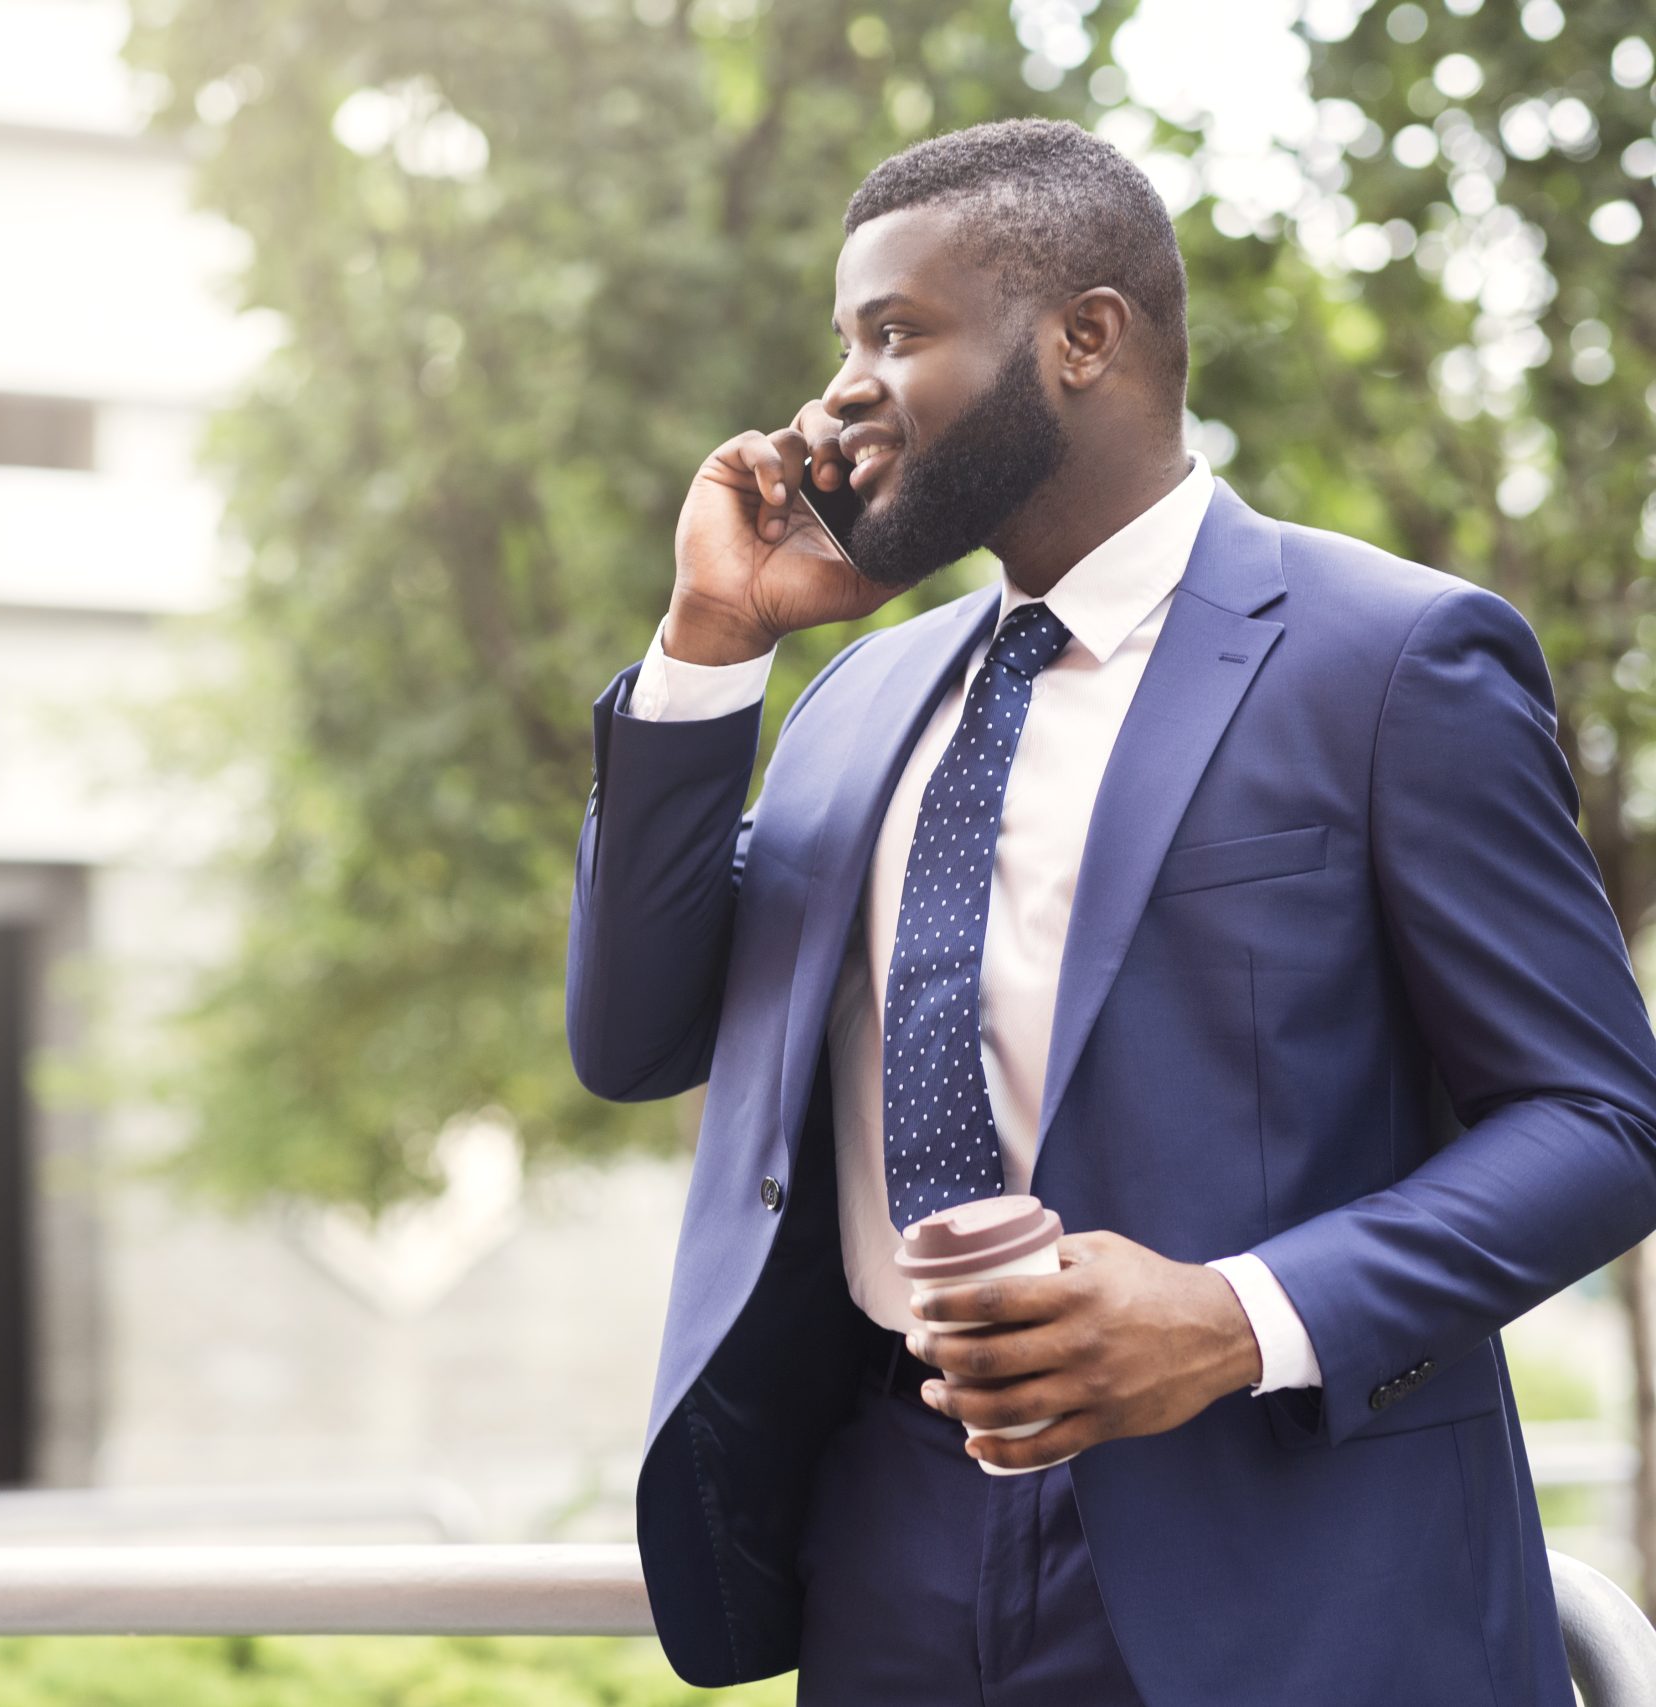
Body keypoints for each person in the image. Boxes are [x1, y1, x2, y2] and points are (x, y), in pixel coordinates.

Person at [565, 116, 1656, 1706]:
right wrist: (712, 644)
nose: (841, 390)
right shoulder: (857, 699)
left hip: (1280, 1534)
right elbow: (635, 1034)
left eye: (897, 331)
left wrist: (1233, 1317)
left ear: (1086, 338)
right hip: (887, 1533)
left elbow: (1601, 1121)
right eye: (842, 341)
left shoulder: (1393, 660)